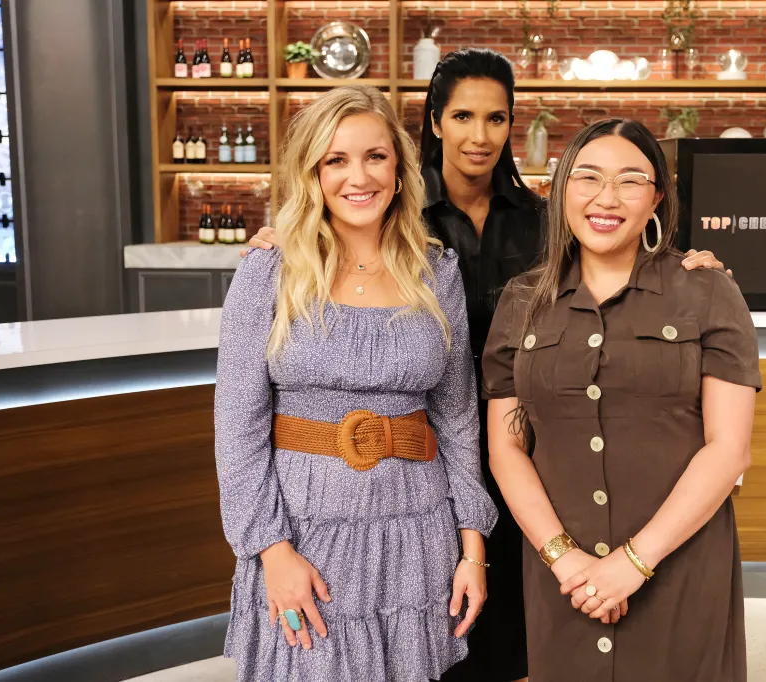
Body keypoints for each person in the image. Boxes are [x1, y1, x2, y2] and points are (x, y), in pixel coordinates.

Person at [245, 49, 728, 682]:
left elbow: (619, 252)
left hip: (526, 452)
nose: (481, 135)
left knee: (513, 640)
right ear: (435, 122)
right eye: (464, 116)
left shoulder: (545, 221)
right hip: (425, 463)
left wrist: (685, 265)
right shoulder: (390, 211)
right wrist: (283, 233)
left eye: (497, 118)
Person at [214, 84, 497, 682]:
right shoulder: (269, 270)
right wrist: (271, 549)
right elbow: (237, 426)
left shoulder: (435, 270)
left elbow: (458, 420)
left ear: (399, 169)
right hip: (303, 532)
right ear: (312, 174)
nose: (358, 176)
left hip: (416, 534)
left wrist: (473, 549)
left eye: (375, 156)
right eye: (335, 160)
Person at [481, 118, 760, 682]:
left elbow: (728, 450)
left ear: (657, 197)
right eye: (588, 177)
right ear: (560, 190)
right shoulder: (521, 301)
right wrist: (567, 560)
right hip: (565, 576)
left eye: (631, 181)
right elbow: (506, 448)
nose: (606, 198)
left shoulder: (706, 291)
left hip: (678, 565)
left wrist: (633, 563)